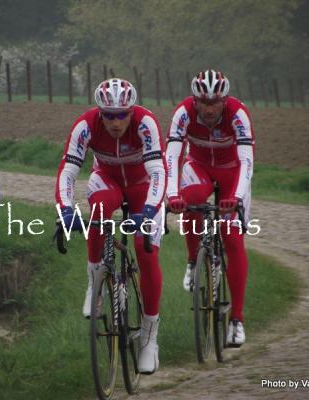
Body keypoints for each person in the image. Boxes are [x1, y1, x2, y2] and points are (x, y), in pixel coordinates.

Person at [55, 78, 167, 374]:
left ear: (131, 111)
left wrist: (149, 212)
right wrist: (65, 211)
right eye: (109, 115)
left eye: (122, 114)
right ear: (99, 112)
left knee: (147, 255)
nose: (116, 121)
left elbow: (158, 171)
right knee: (99, 212)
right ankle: (95, 282)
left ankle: (149, 337)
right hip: (108, 179)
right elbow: (68, 171)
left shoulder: (146, 123)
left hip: (145, 186)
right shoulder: (85, 125)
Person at [166, 69, 254, 346]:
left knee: (231, 237)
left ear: (224, 100)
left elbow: (247, 160)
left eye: (215, 102)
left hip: (233, 173)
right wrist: (171, 194)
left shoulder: (238, 114)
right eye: (203, 102)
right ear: (195, 100)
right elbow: (171, 156)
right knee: (190, 202)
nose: (208, 108)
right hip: (199, 166)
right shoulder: (182, 113)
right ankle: (194, 261)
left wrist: (237, 197)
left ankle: (237, 321)